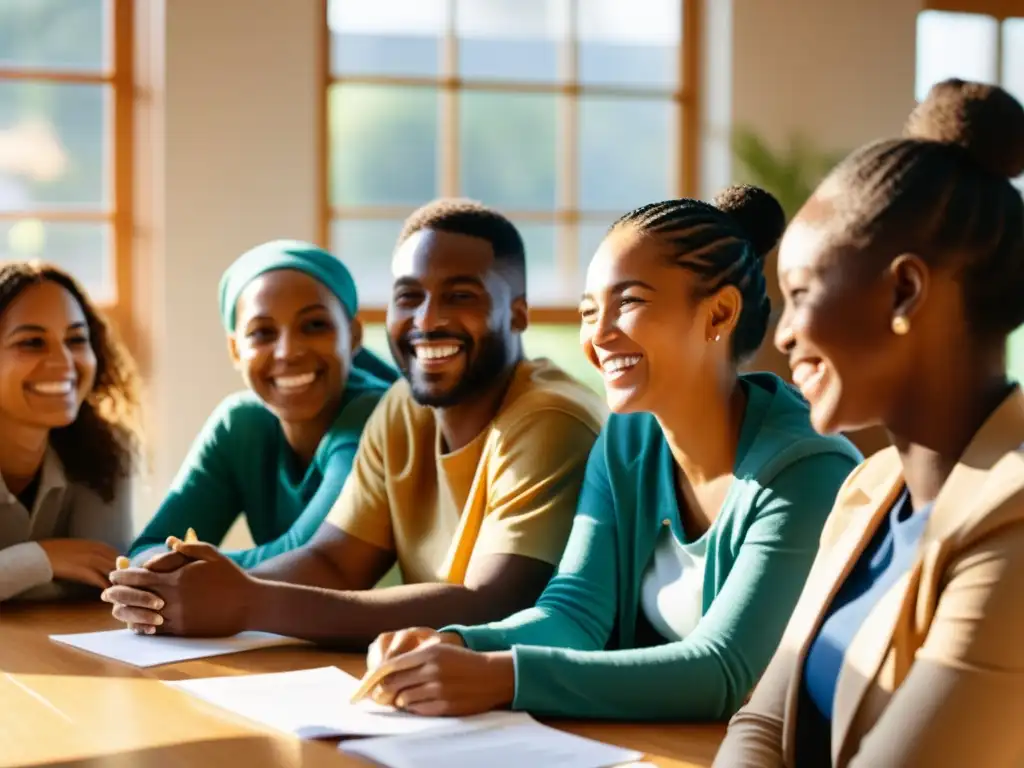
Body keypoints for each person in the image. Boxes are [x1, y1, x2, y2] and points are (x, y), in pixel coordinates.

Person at [362, 186, 862, 721]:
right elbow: (574, 611)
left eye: (629, 302)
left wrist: (503, 676)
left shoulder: (808, 470)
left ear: (719, 315)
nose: (598, 335)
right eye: (587, 311)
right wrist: (454, 644)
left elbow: (722, 670)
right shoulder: (628, 440)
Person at [102, 199, 607, 643]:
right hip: (441, 679)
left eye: (460, 295)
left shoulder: (549, 416)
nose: (427, 320)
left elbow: (493, 602)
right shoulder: (403, 407)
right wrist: (196, 590)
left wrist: (249, 603)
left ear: (518, 314)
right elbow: (334, 561)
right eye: (409, 296)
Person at [713, 79, 1024, 767]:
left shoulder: (1015, 522)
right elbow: (762, 722)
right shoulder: (870, 487)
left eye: (799, 295)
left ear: (904, 291)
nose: (785, 335)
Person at [126, 240, 398, 569]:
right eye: (262, 333)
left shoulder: (378, 414)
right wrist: (157, 566)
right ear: (235, 351)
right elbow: (145, 551)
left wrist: (179, 568)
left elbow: (309, 559)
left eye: (314, 325)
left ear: (353, 336)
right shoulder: (241, 425)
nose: (288, 352)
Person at [0, 262, 140, 602]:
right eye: (32, 342)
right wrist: (44, 558)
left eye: (76, 339)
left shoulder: (108, 449)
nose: (64, 362)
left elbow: (104, 581)